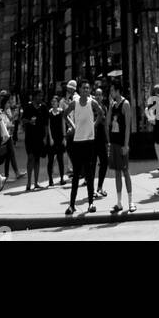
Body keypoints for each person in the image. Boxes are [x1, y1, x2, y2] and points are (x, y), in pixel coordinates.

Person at [66, 79, 99, 216]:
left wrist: (94, 125)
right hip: (78, 141)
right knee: (76, 175)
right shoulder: (75, 103)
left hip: (89, 141)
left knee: (90, 173)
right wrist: (73, 127)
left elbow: (102, 113)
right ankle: (72, 205)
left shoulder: (92, 102)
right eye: (84, 88)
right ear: (79, 90)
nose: (86, 90)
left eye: (88, 88)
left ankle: (91, 203)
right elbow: (65, 115)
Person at [107, 76, 135, 214]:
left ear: (118, 91)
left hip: (122, 143)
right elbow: (108, 122)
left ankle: (131, 201)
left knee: (125, 171)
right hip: (114, 142)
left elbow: (128, 127)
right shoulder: (112, 105)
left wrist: (126, 145)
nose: (111, 92)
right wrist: (109, 106)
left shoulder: (125, 104)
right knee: (117, 172)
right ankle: (119, 202)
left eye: (112, 90)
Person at [23, 89, 48, 191]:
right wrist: (29, 121)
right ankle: (29, 182)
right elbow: (23, 120)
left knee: (37, 159)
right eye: (39, 96)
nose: (40, 98)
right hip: (30, 136)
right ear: (34, 97)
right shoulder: (28, 107)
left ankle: (36, 182)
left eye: (41, 96)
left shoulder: (44, 107)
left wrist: (46, 137)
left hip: (40, 137)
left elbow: (47, 123)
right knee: (30, 158)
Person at [0, 92, 21, 181]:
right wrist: (10, 125)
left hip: (8, 136)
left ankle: (7, 174)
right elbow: (3, 125)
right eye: (8, 103)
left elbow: (10, 120)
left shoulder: (6, 112)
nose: (9, 104)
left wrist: (13, 116)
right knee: (10, 154)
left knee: (8, 156)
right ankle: (16, 172)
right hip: (5, 138)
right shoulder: (1, 113)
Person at [92, 82, 108, 198]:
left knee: (104, 163)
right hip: (92, 139)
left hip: (102, 139)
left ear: (102, 96)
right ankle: (92, 189)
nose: (98, 96)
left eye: (100, 95)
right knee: (92, 165)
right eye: (96, 94)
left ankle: (100, 187)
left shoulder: (104, 108)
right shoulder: (91, 107)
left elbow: (106, 124)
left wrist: (108, 141)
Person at [47, 93, 66, 186]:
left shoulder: (61, 112)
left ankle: (62, 178)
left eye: (55, 101)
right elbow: (49, 126)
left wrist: (64, 137)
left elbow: (63, 125)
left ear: (58, 103)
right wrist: (50, 138)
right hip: (52, 138)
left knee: (60, 159)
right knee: (50, 160)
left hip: (59, 138)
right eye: (52, 101)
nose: (53, 103)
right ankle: (50, 179)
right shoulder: (49, 113)